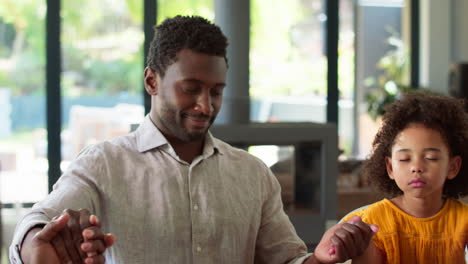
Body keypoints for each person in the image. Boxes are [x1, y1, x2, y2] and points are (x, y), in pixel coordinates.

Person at [11, 15, 377, 264]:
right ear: (152, 81)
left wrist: (322, 255)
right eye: (191, 89)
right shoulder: (104, 164)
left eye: (216, 91)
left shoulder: (252, 174)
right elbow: (37, 223)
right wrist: (35, 248)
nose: (206, 105)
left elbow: (288, 260)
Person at [342, 91, 468, 263]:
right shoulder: (370, 223)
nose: (416, 167)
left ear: (453, 167)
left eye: (431, 158)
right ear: (390, 167)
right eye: (404, 159)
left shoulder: (464, 221)